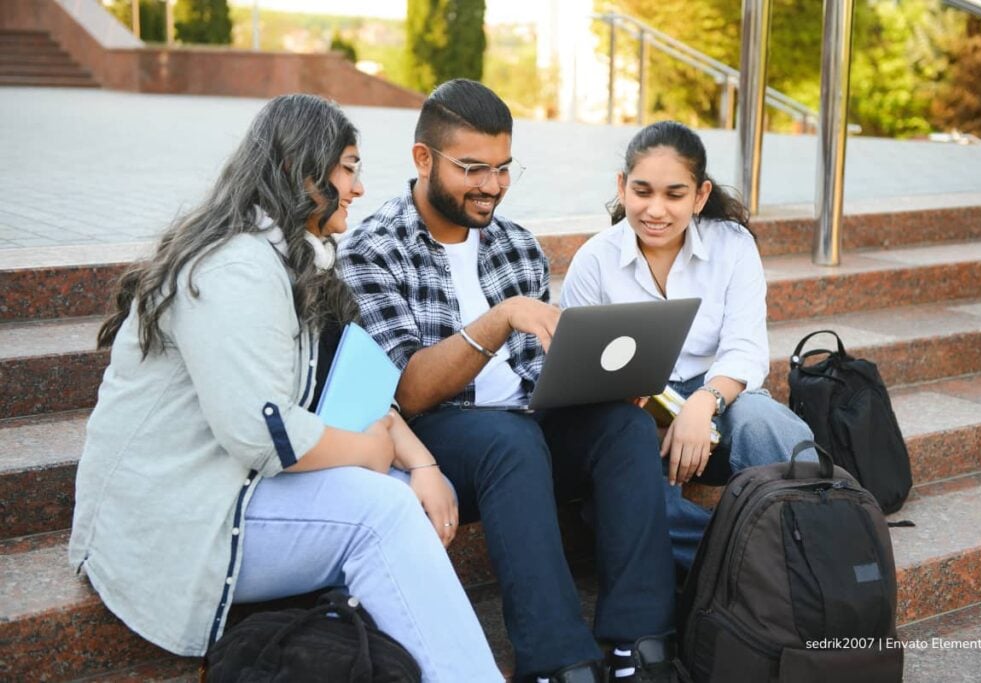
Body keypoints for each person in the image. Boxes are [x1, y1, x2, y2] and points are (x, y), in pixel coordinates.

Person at [67, 93, 502, 682]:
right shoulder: (236, 269)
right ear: (305, 172)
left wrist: (419, 461)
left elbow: (345, 383)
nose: (358, 188)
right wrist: (369, 453)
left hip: (229, 489)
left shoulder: (284, 257)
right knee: (382, 512)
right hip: (173, 519)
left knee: (396, 494)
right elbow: (261, 433)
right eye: (349, 168)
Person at [338, 80, 680, 683]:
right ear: (423, 159)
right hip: (439, 442)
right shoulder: (372, 250)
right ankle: (558, 662)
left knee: (624, 426)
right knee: (509, 441)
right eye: (473, 168)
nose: (492, 186)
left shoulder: (516, 243)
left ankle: (641, 644)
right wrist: (499, 320)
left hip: (526, 426)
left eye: (502, 168)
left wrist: (600, 383)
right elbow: (409, 392)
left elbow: (539, 375)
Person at [560, 120, 815, 570]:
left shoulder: (731, 246)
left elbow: (745, 348)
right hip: (634, 410)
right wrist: (641, 416)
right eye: (642, 191)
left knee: (769, 424)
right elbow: (579, 371)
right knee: (622, 500)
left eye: (674, 195)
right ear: (622, 187)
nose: (655, 210)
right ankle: (743, 560)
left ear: (699, 196)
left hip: (718, 403)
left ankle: (820, 530)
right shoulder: (595, 260)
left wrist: (703, 404)